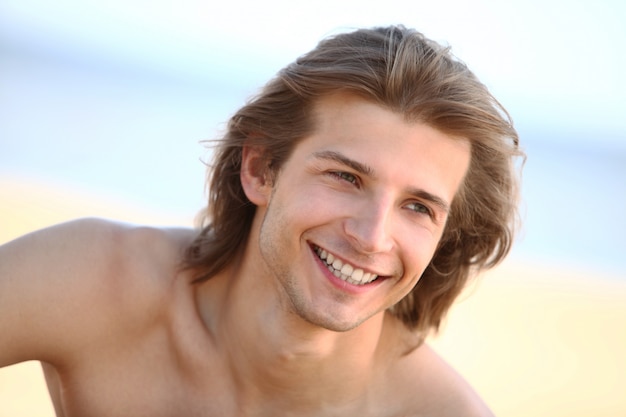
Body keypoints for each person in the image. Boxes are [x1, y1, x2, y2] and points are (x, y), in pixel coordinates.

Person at [0, 25, 523, 416]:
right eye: (344, 177)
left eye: (418, 207)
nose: (371, 236)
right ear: (260, 169)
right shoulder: (98, 281)